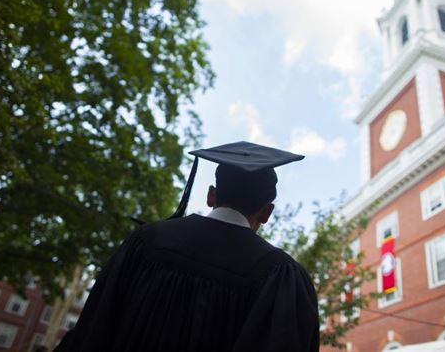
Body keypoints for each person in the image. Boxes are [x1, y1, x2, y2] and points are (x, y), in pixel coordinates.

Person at [56, 141, 319, 351]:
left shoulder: (147, 241)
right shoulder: (280, 276)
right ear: (267, 212)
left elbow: (94, 327)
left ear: (211, 195)